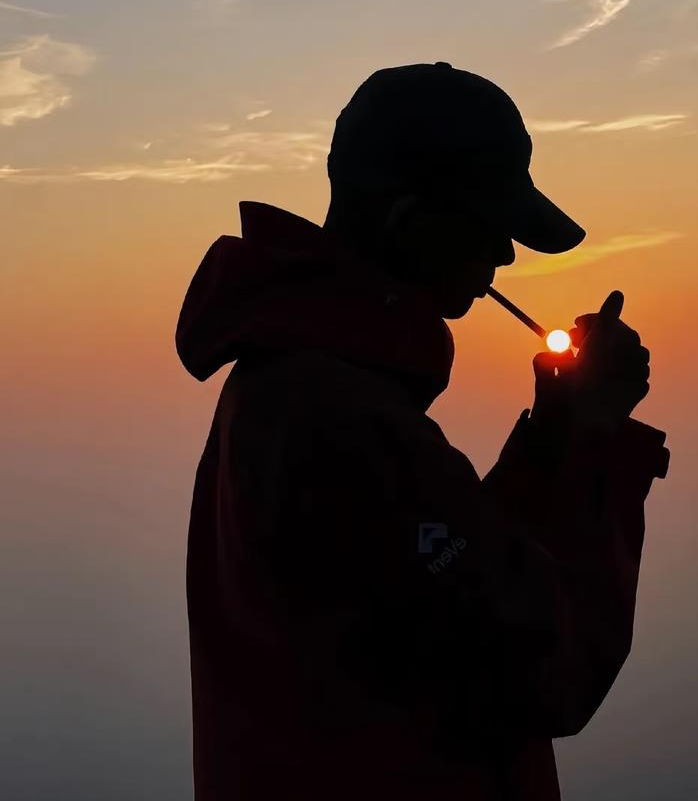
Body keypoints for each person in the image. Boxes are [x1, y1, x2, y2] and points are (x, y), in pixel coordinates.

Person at [175, 61, 670, 800]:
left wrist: (554, 435)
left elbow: (458, 572)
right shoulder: (340, 422)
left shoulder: (298, 387)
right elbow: (550, 668)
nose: (504, 256)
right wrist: (596, 444)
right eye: (489, 229)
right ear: (409, 221)